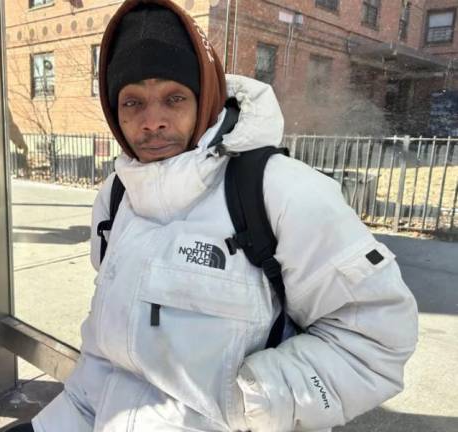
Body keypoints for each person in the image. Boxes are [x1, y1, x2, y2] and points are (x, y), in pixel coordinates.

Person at [22, 0, 419, 431]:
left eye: (173, 97)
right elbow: (106, 354)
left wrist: (245, 400)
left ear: (205, 97)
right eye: (132, 102)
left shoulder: (281, 192)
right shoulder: (116, 198)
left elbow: (375, 341)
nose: (152, 121)